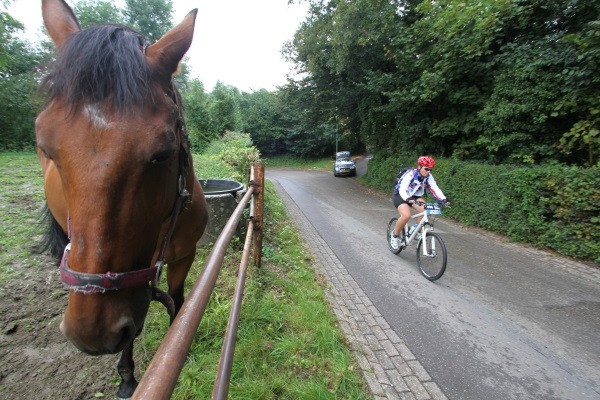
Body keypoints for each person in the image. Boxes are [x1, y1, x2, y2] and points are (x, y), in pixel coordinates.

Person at [390, 155, 447, 250]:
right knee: (406, 216)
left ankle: (417, 230)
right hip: (401, 195)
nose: (428, 171)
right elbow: (403, 188)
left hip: (414, 196)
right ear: (419, 167)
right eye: (427, 169)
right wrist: (407, 198)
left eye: (430, 170)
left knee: (424, 208)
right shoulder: (411, 174)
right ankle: (395, 235)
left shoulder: (428, 176)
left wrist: (443, 199)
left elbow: (434, 188)